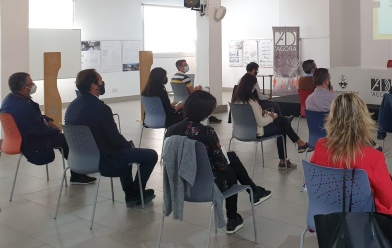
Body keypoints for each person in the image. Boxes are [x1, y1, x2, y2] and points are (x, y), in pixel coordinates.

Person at [310, 93, 392, 228]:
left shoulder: (320, 146)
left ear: (332, 117)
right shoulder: (373, 157)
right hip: (365, 221)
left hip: (326, 215)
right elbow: (388, 200)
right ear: (363, 120)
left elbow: (312, 183)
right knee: (384, 186)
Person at [166, 90, 272, 234]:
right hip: (205, 184)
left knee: (231, 155)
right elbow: (221, 165)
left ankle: (254, 191)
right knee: (231, 170)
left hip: (182, 181)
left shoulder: (171, 130)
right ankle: (233, 217)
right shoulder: (206, 131)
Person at [65, 69, 158, 207]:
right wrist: (127, 145)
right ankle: (136, 192)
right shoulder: (101, 108)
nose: (103, 83)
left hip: (80, 158)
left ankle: (131, 193)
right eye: (100, 81)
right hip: (104, 158)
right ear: (94, 86)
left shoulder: (72, 106)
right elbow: (114, 139)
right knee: (150, 155)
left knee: (125, 150)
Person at [0, 72, 96, 184]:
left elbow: (34, 118)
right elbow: (38, 130)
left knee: (63, 138)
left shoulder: (11, 99)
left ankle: (79, 171)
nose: (33, 85)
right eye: (31, 84)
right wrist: (55, 130)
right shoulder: (23, 107)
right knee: (68, 140)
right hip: (32, 143)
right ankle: (78, 174)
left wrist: (48, 120)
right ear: (24, 88)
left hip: (18, 139)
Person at [233, 73, 309, 170]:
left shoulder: (236, 100)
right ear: (251, 86)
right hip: (255, 131)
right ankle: (291, 152)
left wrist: (262, 112)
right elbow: (261, 123)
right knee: (282, 127)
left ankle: (296, 145)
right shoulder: (251, 102)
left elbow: (249, 116)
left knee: (282, 121)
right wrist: (271, 117)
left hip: (240, 131)